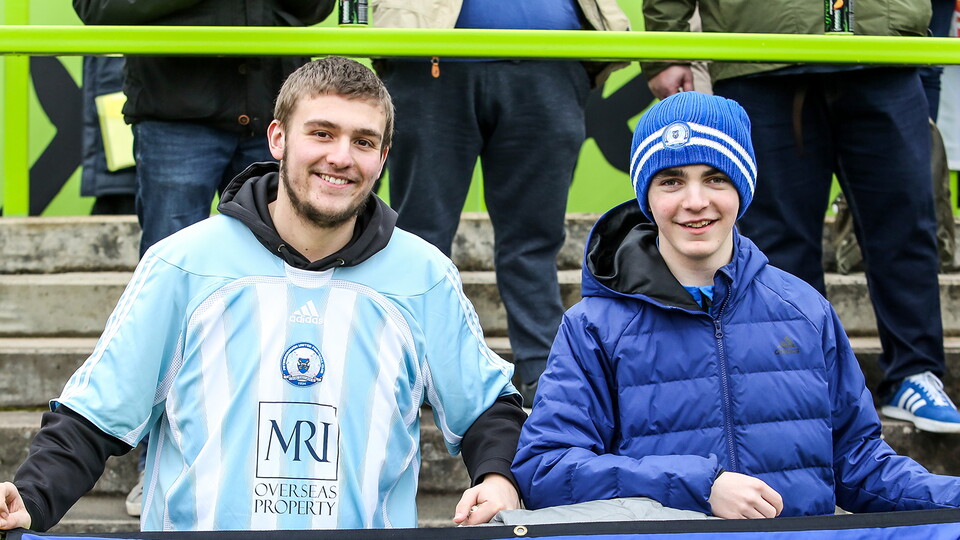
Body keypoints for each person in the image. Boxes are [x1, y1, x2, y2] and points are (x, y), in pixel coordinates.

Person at [0, 56, 524, 532]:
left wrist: (499, 478)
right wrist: (31, 496)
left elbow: (486, 408)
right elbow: (95, 415)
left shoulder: (424, 274)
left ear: (383, 156)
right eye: (321, 133)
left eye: (363, 141)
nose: (341, 157)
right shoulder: (183, 263)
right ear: (277, 139)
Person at [511, 92, 960, 518]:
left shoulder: (806, 310)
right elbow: (546, 470)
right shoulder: (593, 325)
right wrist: (699, 487)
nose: (694, 201)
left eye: (715, 178)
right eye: (671, 181)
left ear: (743, 188)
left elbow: (861, 464)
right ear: (645, 194)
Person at [642, 0, 960, 432]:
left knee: (904, 222)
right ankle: (798, 379)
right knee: (778, 239)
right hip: (762, 48)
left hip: (884, 41)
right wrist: (666, 46)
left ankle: (915, 373)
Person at [72, 1, 337, 515]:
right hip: (176, 114)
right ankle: (155, 459)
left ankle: (274, 460)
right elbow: (97, 7)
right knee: (167, 305)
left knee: (282, 295)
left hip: (274, 110)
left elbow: (315, 7)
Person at [370, 0, 631, 405]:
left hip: (552, 62)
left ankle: (544, 377)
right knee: (420, 239)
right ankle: (409, 366)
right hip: (431, 56)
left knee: (534, 241)